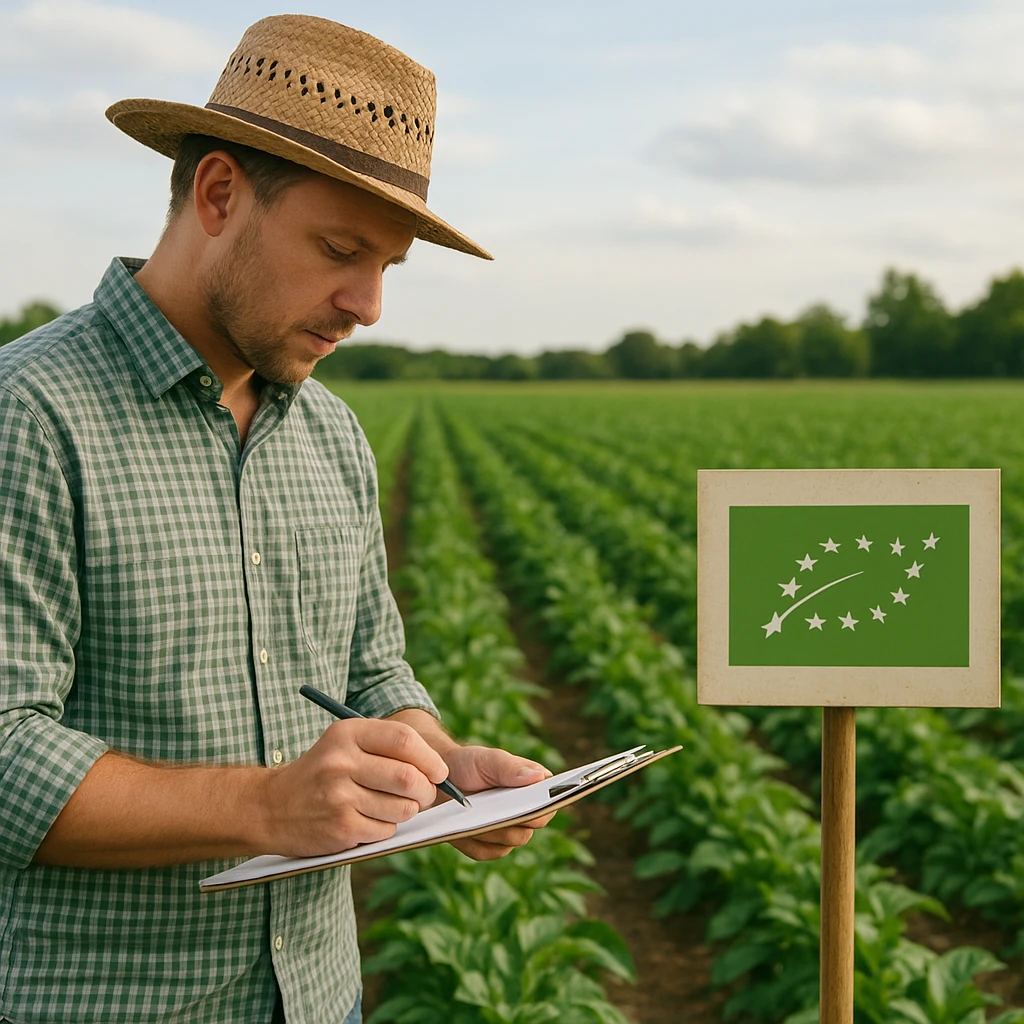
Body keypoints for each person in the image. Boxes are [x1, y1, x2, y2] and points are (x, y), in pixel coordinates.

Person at [0, 14, 555, 1024]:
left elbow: (372, 670)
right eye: (341, 250)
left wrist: (435, 767)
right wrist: (265, 803)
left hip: (317, 994)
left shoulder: (332, 436)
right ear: (217, 193)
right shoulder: (29, 415)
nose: (368, 303)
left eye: (387, 265)